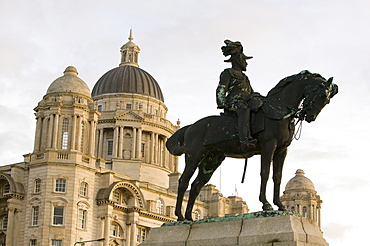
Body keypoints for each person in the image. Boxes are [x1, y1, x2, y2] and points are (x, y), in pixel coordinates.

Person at [216, 40, 257, 150]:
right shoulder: (228, 73)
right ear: (238, 60)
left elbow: (251, 92)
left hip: (246, 101)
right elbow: (221, 89)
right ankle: (244, 140)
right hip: (234, 103)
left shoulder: (245, 78)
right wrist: (223, 103)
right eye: (244, 60)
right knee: (243, 109)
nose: (246, 63)